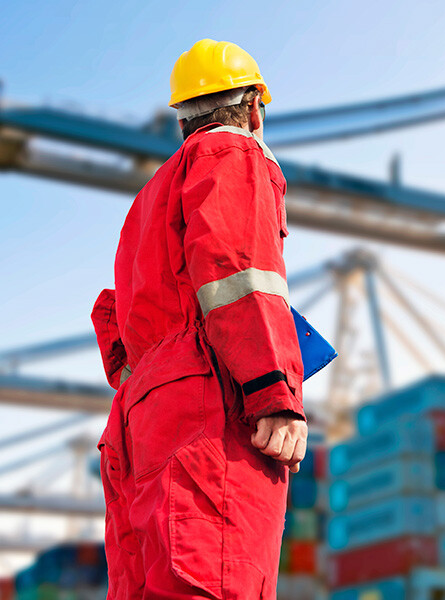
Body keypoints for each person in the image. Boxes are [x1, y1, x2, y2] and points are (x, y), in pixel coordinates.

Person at [91, 39, 307, 600]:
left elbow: (118, 329)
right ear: (255, 108)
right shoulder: (232, 153)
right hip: (207, 406)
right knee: (218, 579)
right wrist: (273, 391)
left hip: (142, 419)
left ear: (182, 120)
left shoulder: (147, 200)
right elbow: (240, 272)